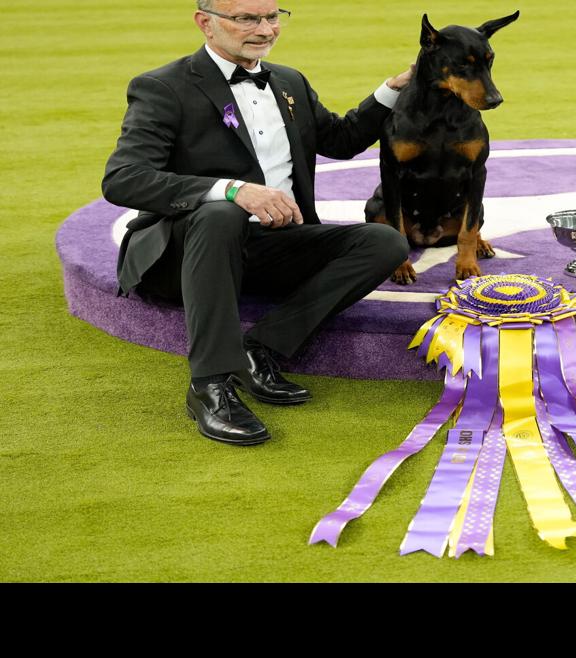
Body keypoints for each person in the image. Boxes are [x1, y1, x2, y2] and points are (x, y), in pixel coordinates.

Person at [102, 0, 413, 446]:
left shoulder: (288, 81)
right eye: (246, 18)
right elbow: (123, 179)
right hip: (186, 252)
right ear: (205, 23)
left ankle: (258, 348)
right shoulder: (162, 87)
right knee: (220, 212)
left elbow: (341, 140)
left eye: (271, 17)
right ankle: (209, 384)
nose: (264, 29)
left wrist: (393, 88)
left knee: (384, 243)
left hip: (270, 246)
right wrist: (232, 189)